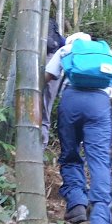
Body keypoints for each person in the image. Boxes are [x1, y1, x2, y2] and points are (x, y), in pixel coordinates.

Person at [45, 32, 112, 224]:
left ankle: (76, 206)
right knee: (100, 162)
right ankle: (101, 222)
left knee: (71, 155)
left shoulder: (67, 50)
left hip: (71, 101)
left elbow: (47, 76)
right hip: (99, 104)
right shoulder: (107, 53)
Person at [41, 14, 65, 146]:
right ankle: (42, 144)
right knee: (46, 106)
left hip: (38, 61)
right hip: (52, 62)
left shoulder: (36, 24)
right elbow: (64, 45)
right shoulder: (56, 34)